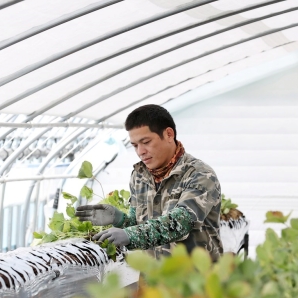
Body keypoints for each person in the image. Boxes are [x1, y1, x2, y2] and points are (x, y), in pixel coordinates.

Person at [76, 104, 222, 260]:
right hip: (153, 279)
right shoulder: (139, 176)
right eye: (135, 145)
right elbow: (137, 224)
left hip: (195, 281)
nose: (140, 152)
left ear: (168, 134)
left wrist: (129, 235)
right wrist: (120, 219)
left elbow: (181, 223)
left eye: (145, 142)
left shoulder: (200, 175)